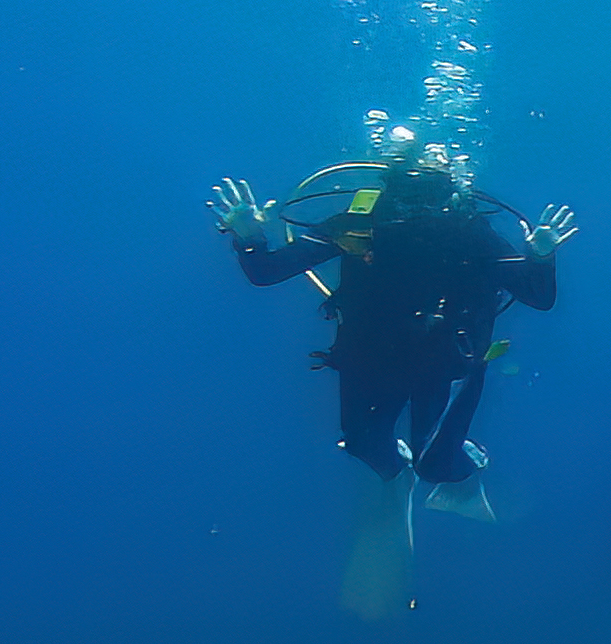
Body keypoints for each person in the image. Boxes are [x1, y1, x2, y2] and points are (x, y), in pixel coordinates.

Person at [208, 134, 576, 618]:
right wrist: (248, 238)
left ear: (451, 186)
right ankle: (400, 467)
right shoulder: (359, 222)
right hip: (367, 358)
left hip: (442, 365)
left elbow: (538, 296)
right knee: (362, 445)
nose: (416, 200)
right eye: (409, 184)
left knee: (436, 466)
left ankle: (461, 471)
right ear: (389, 181)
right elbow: (268, 273)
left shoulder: (468, 230)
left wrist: (543, 256)